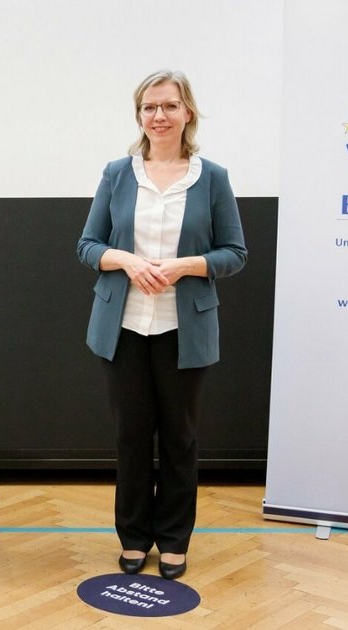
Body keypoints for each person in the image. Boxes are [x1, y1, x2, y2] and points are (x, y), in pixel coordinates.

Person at [76, 70, 246, 580]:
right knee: (131, 437)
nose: (159, 116)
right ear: (140, 115)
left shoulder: (211, 177)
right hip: (123, 326)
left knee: (179, 439)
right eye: (149, 107)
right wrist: (126, 260)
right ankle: (133, 537)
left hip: (183, 329)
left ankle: (173, 541)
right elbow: (86, 246)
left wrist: (184, 266)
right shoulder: (116, 173)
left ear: (187, 112)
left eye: (169, 106)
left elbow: (235, 253)